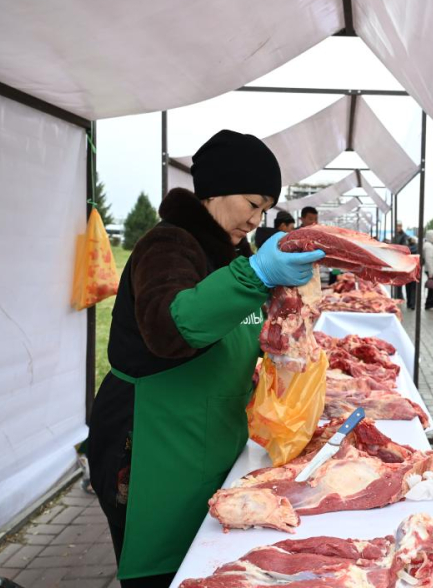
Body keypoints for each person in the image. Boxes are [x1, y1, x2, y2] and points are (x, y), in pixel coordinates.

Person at [87, 130, 324, 587]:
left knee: (213, 562)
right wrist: (253, 276)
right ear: (216, 188)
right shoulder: (169, 245)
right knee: (164, 570)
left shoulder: (232, 249)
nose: (257, 219)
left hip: (209, 434)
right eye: (252, 203)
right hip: (153, 438)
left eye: (264, 209)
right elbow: (172, 326)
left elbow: (246, 330)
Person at [392, 222, 408, 299]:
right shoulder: (395, 236)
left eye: (399, 226)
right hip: (395, 260)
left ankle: (399, 296)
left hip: (401, 260)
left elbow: (404, 247)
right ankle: (398, 295)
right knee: (396, 279)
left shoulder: (404, 236)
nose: (397, 227)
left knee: (400, 279)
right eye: (397, 226)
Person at [405, 235, 419, 310]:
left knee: (408, 287)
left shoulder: (406, 249)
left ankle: (408, 303)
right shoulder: (417, 248)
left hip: (407, 270)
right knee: (413, 288)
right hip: (414, 270)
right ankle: (412, 304)